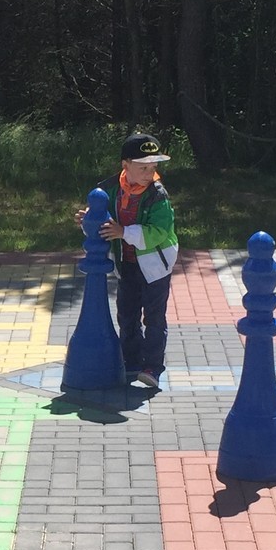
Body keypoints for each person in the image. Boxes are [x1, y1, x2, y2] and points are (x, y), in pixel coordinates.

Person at [81, 131, 180, 390]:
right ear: (125, 165)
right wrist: (88, 220)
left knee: (154, 318)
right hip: (127, 263)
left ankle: (153, 367)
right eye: (143, 167)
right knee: (127, 314)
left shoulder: (158, 195)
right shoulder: (109, 189)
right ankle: (131, 361)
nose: (150, 173)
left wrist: (124, 232)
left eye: (154, 167)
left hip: (156, 267)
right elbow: (102, 220)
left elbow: (159, 232)